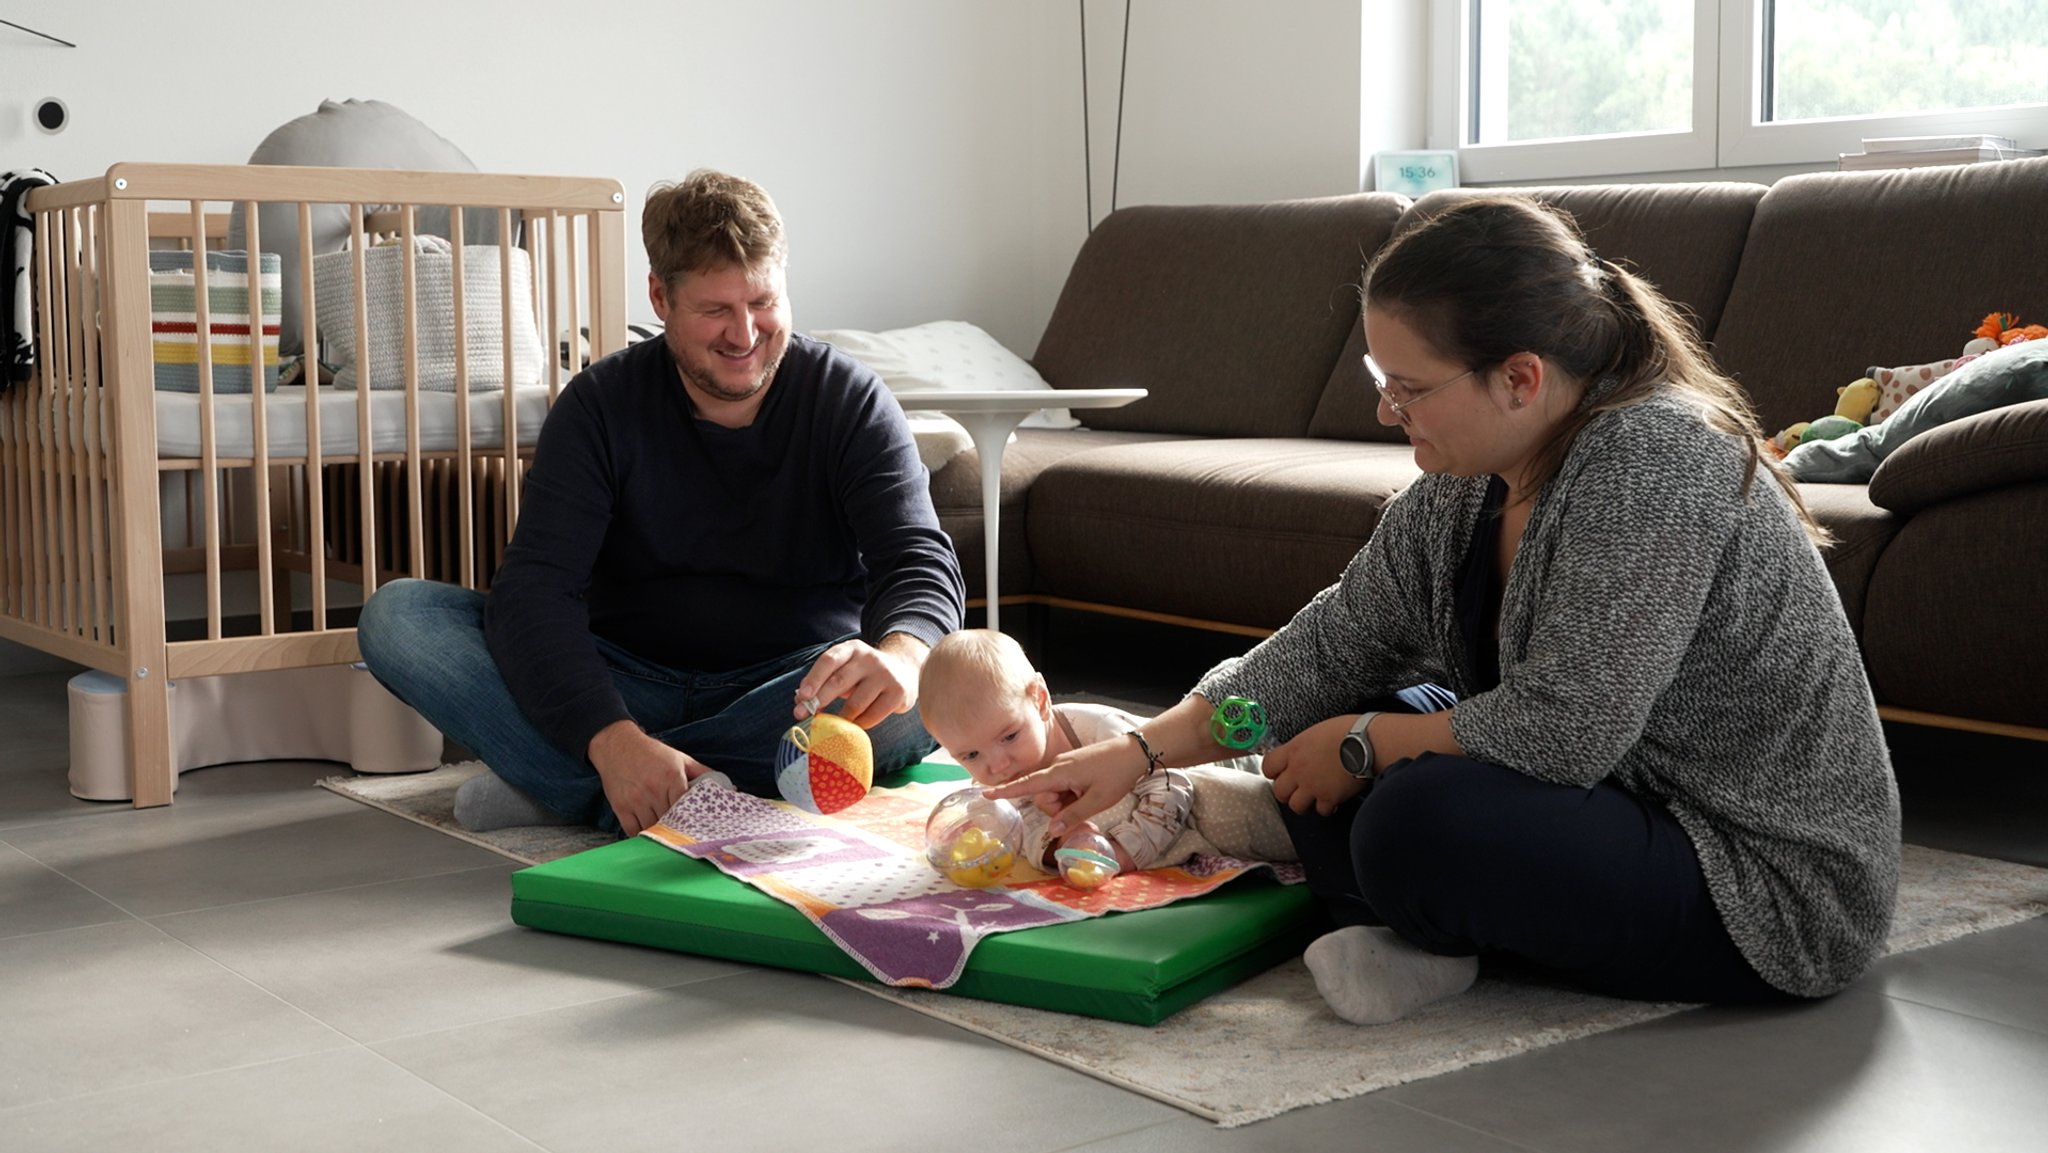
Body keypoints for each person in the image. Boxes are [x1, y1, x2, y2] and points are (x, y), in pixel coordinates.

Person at [988, 196, 1901, 1025]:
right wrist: (1143, 748)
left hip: (1756, 873)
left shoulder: (1656, 461)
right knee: (1337, 731)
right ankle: (1416, 913)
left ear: (1520, 377)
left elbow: (1568, 731)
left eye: (1411, 387)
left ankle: (1419, 915)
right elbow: (1325, 650)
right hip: (1613, 793)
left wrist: (1364, 744)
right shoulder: (1461, 489)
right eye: (1378, 379)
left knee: (1412, 819)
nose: (1389, 411)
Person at [357, 169, 964, 838]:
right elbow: (535, 591)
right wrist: (612, 732)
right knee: (398, 617)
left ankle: (583, 786)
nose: (744, 334)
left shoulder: (849, 398)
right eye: (715, 310)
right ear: (660, 296)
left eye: (762, 302)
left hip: (795, 687)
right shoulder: (597, 407)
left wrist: (905, 657)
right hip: (625, 676)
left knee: (933, 684)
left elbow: (916, 558)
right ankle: (662, 774)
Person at [919, 629, 1293, 875]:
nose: (997, 765)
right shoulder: (998, 789)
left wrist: (1123, 852)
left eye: (1010, 736)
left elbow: (1171, 785)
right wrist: (1065, 840)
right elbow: (1029, 837)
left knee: (1245, 796)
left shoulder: (1099, 730)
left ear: (1041, 700)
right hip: (1156, 822)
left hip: (1203, 764)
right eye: (970, 756)